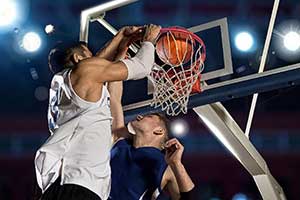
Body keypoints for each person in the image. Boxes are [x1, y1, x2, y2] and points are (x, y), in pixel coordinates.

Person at [34, 24, 161, 200]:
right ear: (79, 58)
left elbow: (100, 67)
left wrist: (120, 41)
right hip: (76, 184)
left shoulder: (64, 86)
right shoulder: (85, 71)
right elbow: (142, 66)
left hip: (62, 185)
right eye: (89, 56)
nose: (96, 60)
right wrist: (149, 41)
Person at [107, 55, 195, 199]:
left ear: (159, 130)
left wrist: (177, 164)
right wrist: (121, 59)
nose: (140, 116)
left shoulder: (166, 165)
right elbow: (114, 98)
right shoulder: (119, 139)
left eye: (149, 117)